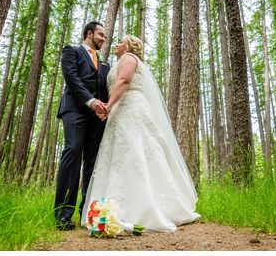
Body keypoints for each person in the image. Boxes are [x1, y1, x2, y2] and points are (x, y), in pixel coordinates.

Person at [81, 35, 200, 232]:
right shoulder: (121, 61)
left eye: (121, 41)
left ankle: (145, 208)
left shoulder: (128, 58)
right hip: (121, 110)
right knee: (122, 154)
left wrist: (108, 107)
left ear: (128, 46)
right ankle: (112, 209)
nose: (117, 44)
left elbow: (124, 81)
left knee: (136, 151)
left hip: (129, 108)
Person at [54, 21, 110, 229]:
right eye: (101, 35)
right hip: (75, 111)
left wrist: (106, 108)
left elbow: (105, 88)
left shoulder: (105, 64)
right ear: (89, 33)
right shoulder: (72, 51)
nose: (103, 39)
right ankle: (63, 214)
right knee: (73, 152)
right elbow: (72, 78)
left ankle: (87, 213)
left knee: (93, 163)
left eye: (104, 36)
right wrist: (90, 101)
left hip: (97, 117)